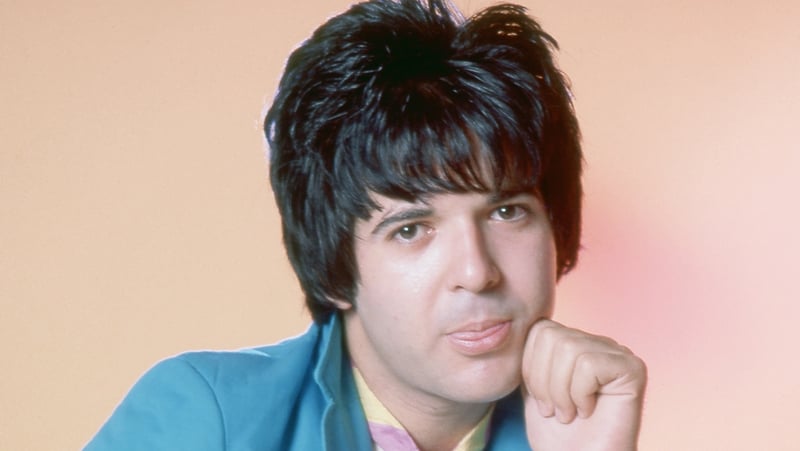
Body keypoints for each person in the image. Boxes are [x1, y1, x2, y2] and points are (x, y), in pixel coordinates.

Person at [85, 0, 647, 449]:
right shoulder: (214, 417)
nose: (477, 273)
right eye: (411, 228)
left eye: (507, 211)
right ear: (333, 270)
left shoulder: (576, 429)